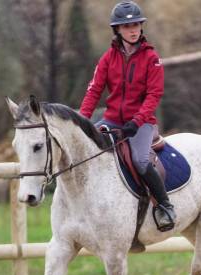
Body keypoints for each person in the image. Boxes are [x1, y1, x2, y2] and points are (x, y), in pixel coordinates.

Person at [79, 1, 175, 232]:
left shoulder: (151, 58)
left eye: (136, 25)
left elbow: (154, 95)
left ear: (141, 27)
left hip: (141, 124)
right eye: (127, 26)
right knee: (88, 151)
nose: (133, 29)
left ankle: (164, 206)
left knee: (141, 162)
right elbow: (94, 91)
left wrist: (137, 122)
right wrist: (82, 120)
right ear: (117, 30)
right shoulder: (107, 58)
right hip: (111, 119)